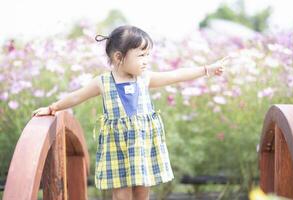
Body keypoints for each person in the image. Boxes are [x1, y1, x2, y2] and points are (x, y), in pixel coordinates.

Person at [31, 25, 226, 200]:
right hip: (117, 148)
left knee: (142, 190)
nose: (146, 61)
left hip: (142, 144)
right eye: (141, 56)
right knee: (121, 192)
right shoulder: (103, 82)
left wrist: (206, 69)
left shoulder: (145, 78)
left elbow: (175, 75)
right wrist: (52, 107)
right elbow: (76, 96)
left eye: (148, 55)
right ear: (118, 57)